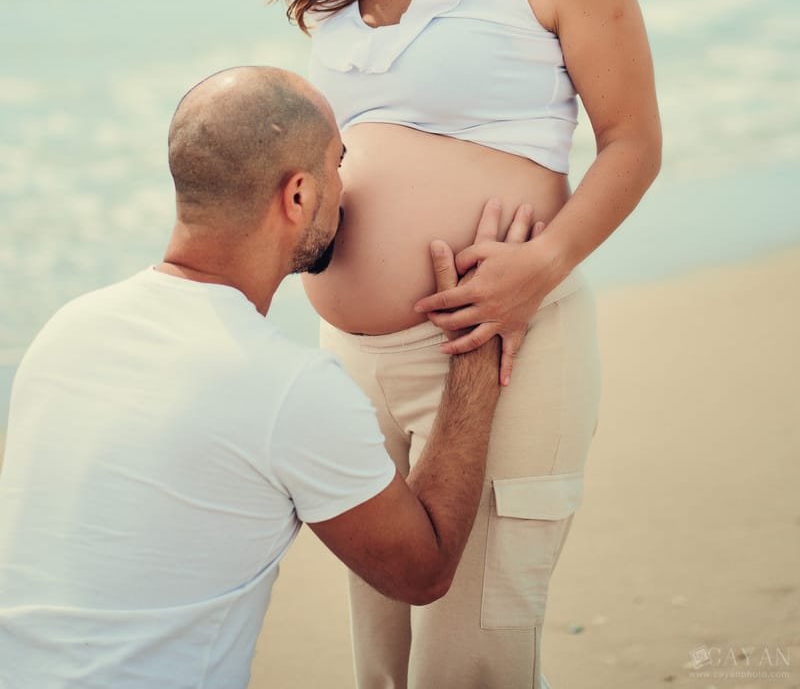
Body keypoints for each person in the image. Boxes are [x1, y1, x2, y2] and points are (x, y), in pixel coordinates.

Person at [252, 0, 663, 689]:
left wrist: (541, 265)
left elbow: (632, 143)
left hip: (500, 346)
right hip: (351, 363)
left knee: (468, 659)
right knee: (382, 661)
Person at [0, 65, 524, 689]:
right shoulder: (285, 386)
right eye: (338, 163)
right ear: (298, 195)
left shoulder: (68, 329)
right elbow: (423, 572)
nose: (344, 186)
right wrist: (472, 356)